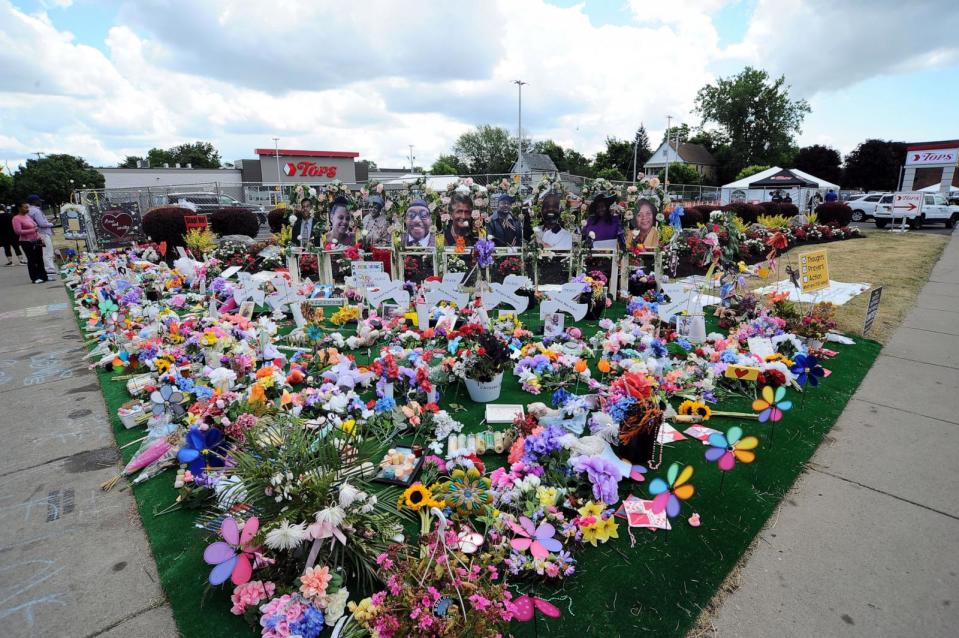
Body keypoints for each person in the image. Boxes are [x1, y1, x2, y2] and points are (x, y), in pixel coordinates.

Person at [12, 202, 47, 283]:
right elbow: (18, 231)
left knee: (39, 259)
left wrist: (39, 236)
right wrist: (32, 230)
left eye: (28, 207)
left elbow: (35, 225)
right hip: (27, 242)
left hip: (37, 239)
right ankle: (34, 277)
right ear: (19, 208)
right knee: (32, 260)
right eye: (25, 208)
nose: (27, 209)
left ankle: (43, 276)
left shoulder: (27, 216)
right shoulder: (16, 218)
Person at [26, 195, 56, 276]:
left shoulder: (28, 210)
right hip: (43, 233)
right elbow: (42, 224)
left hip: (36, 233)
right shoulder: (36, 211)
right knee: (47, 252)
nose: (40, 202)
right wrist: (51, 223)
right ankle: (49, 269)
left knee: (42, 252)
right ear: (34, 202)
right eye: (38, 201)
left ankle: (46, 269)